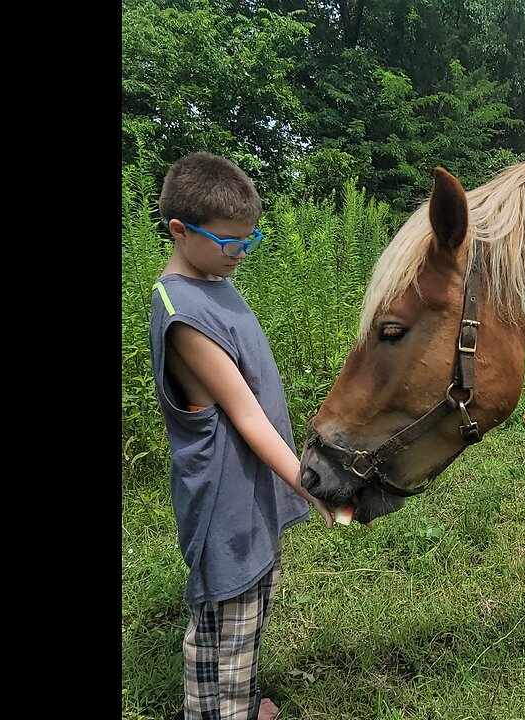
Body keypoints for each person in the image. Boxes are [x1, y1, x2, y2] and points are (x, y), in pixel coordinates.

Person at [148, 151, 333, 720]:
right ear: (180, 230)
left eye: (249, 241)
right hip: (226, 504)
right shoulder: (184, 312)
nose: (240, 253)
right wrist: (312, 485)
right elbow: (247, 417)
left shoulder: (213, 278)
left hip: (252, 491)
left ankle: (237, 703)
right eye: (230, 241)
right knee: (226, 620)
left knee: (250, 608)